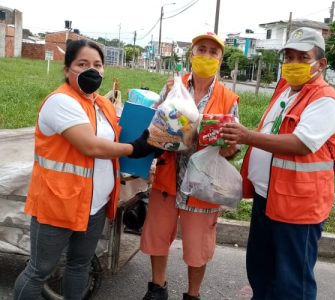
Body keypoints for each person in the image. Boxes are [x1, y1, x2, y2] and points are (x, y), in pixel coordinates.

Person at [13, 39, 159, 300]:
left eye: (97, 64)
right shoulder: (60, 102)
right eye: (82, 64)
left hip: (95, 204)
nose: (92, 70)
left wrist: (154, 142)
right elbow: (91, 146)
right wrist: (136, 148)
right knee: (39, 271)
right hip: (58, 204)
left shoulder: (101, 104)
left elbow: (120, 136)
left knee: (79, 265)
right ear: (68, 69)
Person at [221, 27, 335, 300]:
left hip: (298, 206)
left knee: (292, 282)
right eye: (288, 57)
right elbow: (269, 133)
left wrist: (246, 135)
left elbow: (301, 144)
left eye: (303, 57)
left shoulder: (324, 99)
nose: (293, 64)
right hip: (267, 197)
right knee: (261, 271)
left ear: (321, 64)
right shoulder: (286, 92)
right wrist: (239, 142)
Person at [140, 32, 240, 300]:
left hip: (202, 183)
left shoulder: (229, 98)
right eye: (201, 50)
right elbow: (153, 125)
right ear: (191, 54)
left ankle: (193, 295)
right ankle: (157, 287)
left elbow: (232, 146)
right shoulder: (173, 87)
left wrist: (230, 149)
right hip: (167, 177)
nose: (206, 56)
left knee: (198, 246)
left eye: (213, 52)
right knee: (158, 236)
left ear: (220, 59)